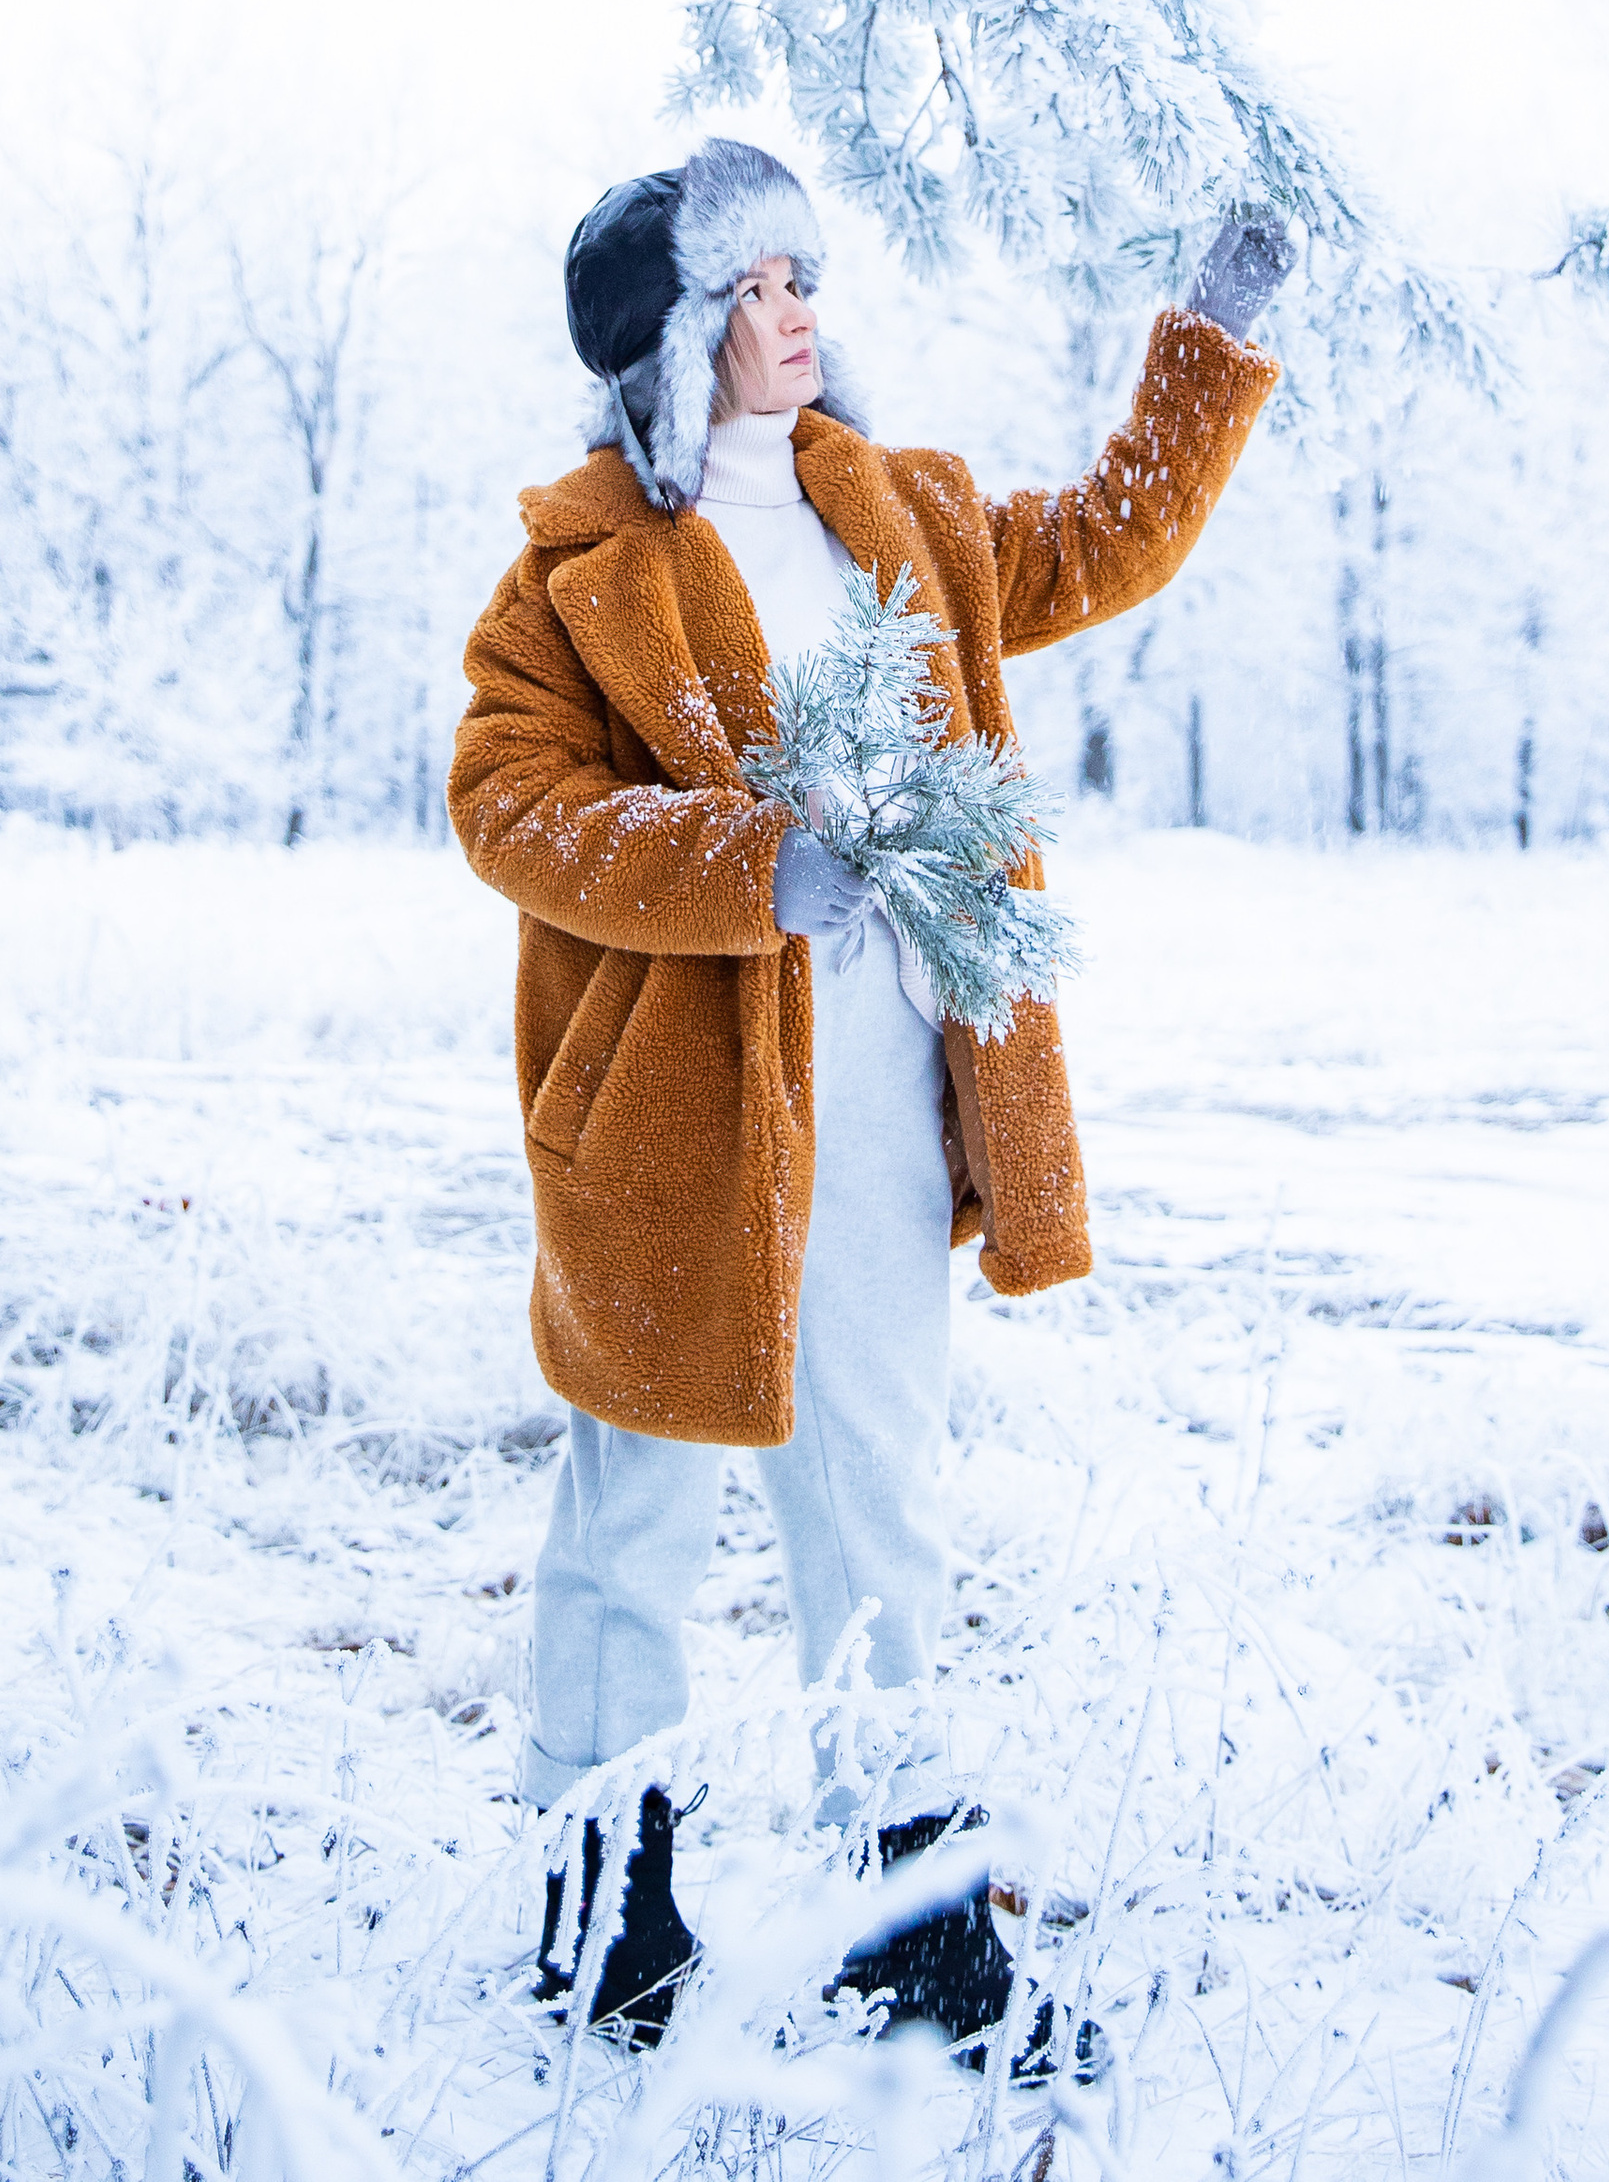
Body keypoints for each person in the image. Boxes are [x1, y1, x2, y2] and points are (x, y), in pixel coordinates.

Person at [448, 137, 1291, 2054]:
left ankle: (913, 1933)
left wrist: (1207, 345)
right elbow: (509, 808)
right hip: (666, 1129)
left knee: (879, 1507)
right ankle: (602, 1924)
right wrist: (752, 865)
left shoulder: (906, 514)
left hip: (894, 1099)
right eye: (750, 290)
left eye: (803, 276)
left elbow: (1110, 540)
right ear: (671, 341)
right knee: (634, 1523)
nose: (795, 314)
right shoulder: (573, 576)